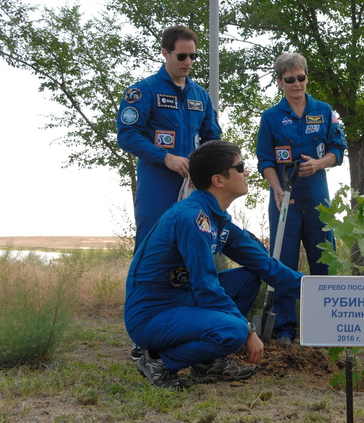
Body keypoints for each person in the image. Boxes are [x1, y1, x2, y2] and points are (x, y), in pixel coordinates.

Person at [124, 140, 304, 389]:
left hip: (183, 302)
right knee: (233, 331)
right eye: (240, 167)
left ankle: (207, 363)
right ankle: (158, 361)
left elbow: (267, 266)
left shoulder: (218, 220)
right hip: (152, 315)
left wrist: (319, 292)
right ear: (218, 180)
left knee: (250, 277)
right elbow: (206, 286)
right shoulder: (191, 218)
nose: (247, 172)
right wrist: (248, 329)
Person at [256, 53, 347, 345]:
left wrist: (319, 164)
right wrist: (277, 190)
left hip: (318, 197)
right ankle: (285, 328)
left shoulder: (324, 110)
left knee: (324, 260)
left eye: (301, 77)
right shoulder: (270, 118)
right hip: (285, 200)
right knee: (284, 262)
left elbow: (338, 150)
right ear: (280, 82)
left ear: (307, 77)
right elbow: (265, 160)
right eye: (289, 79)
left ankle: (324, 327)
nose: (296, 84)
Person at [117, 25, 221, 250]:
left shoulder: (201, 95)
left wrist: (205, 169)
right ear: (165, 53)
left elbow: (213, 138)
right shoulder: (144, 91)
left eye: (193, 56)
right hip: (157, 182)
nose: (188, 62)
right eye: (181, 56)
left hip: (195, 184)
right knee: (152, 246)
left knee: (194, 247)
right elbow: (127, 135)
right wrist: (166, 157)